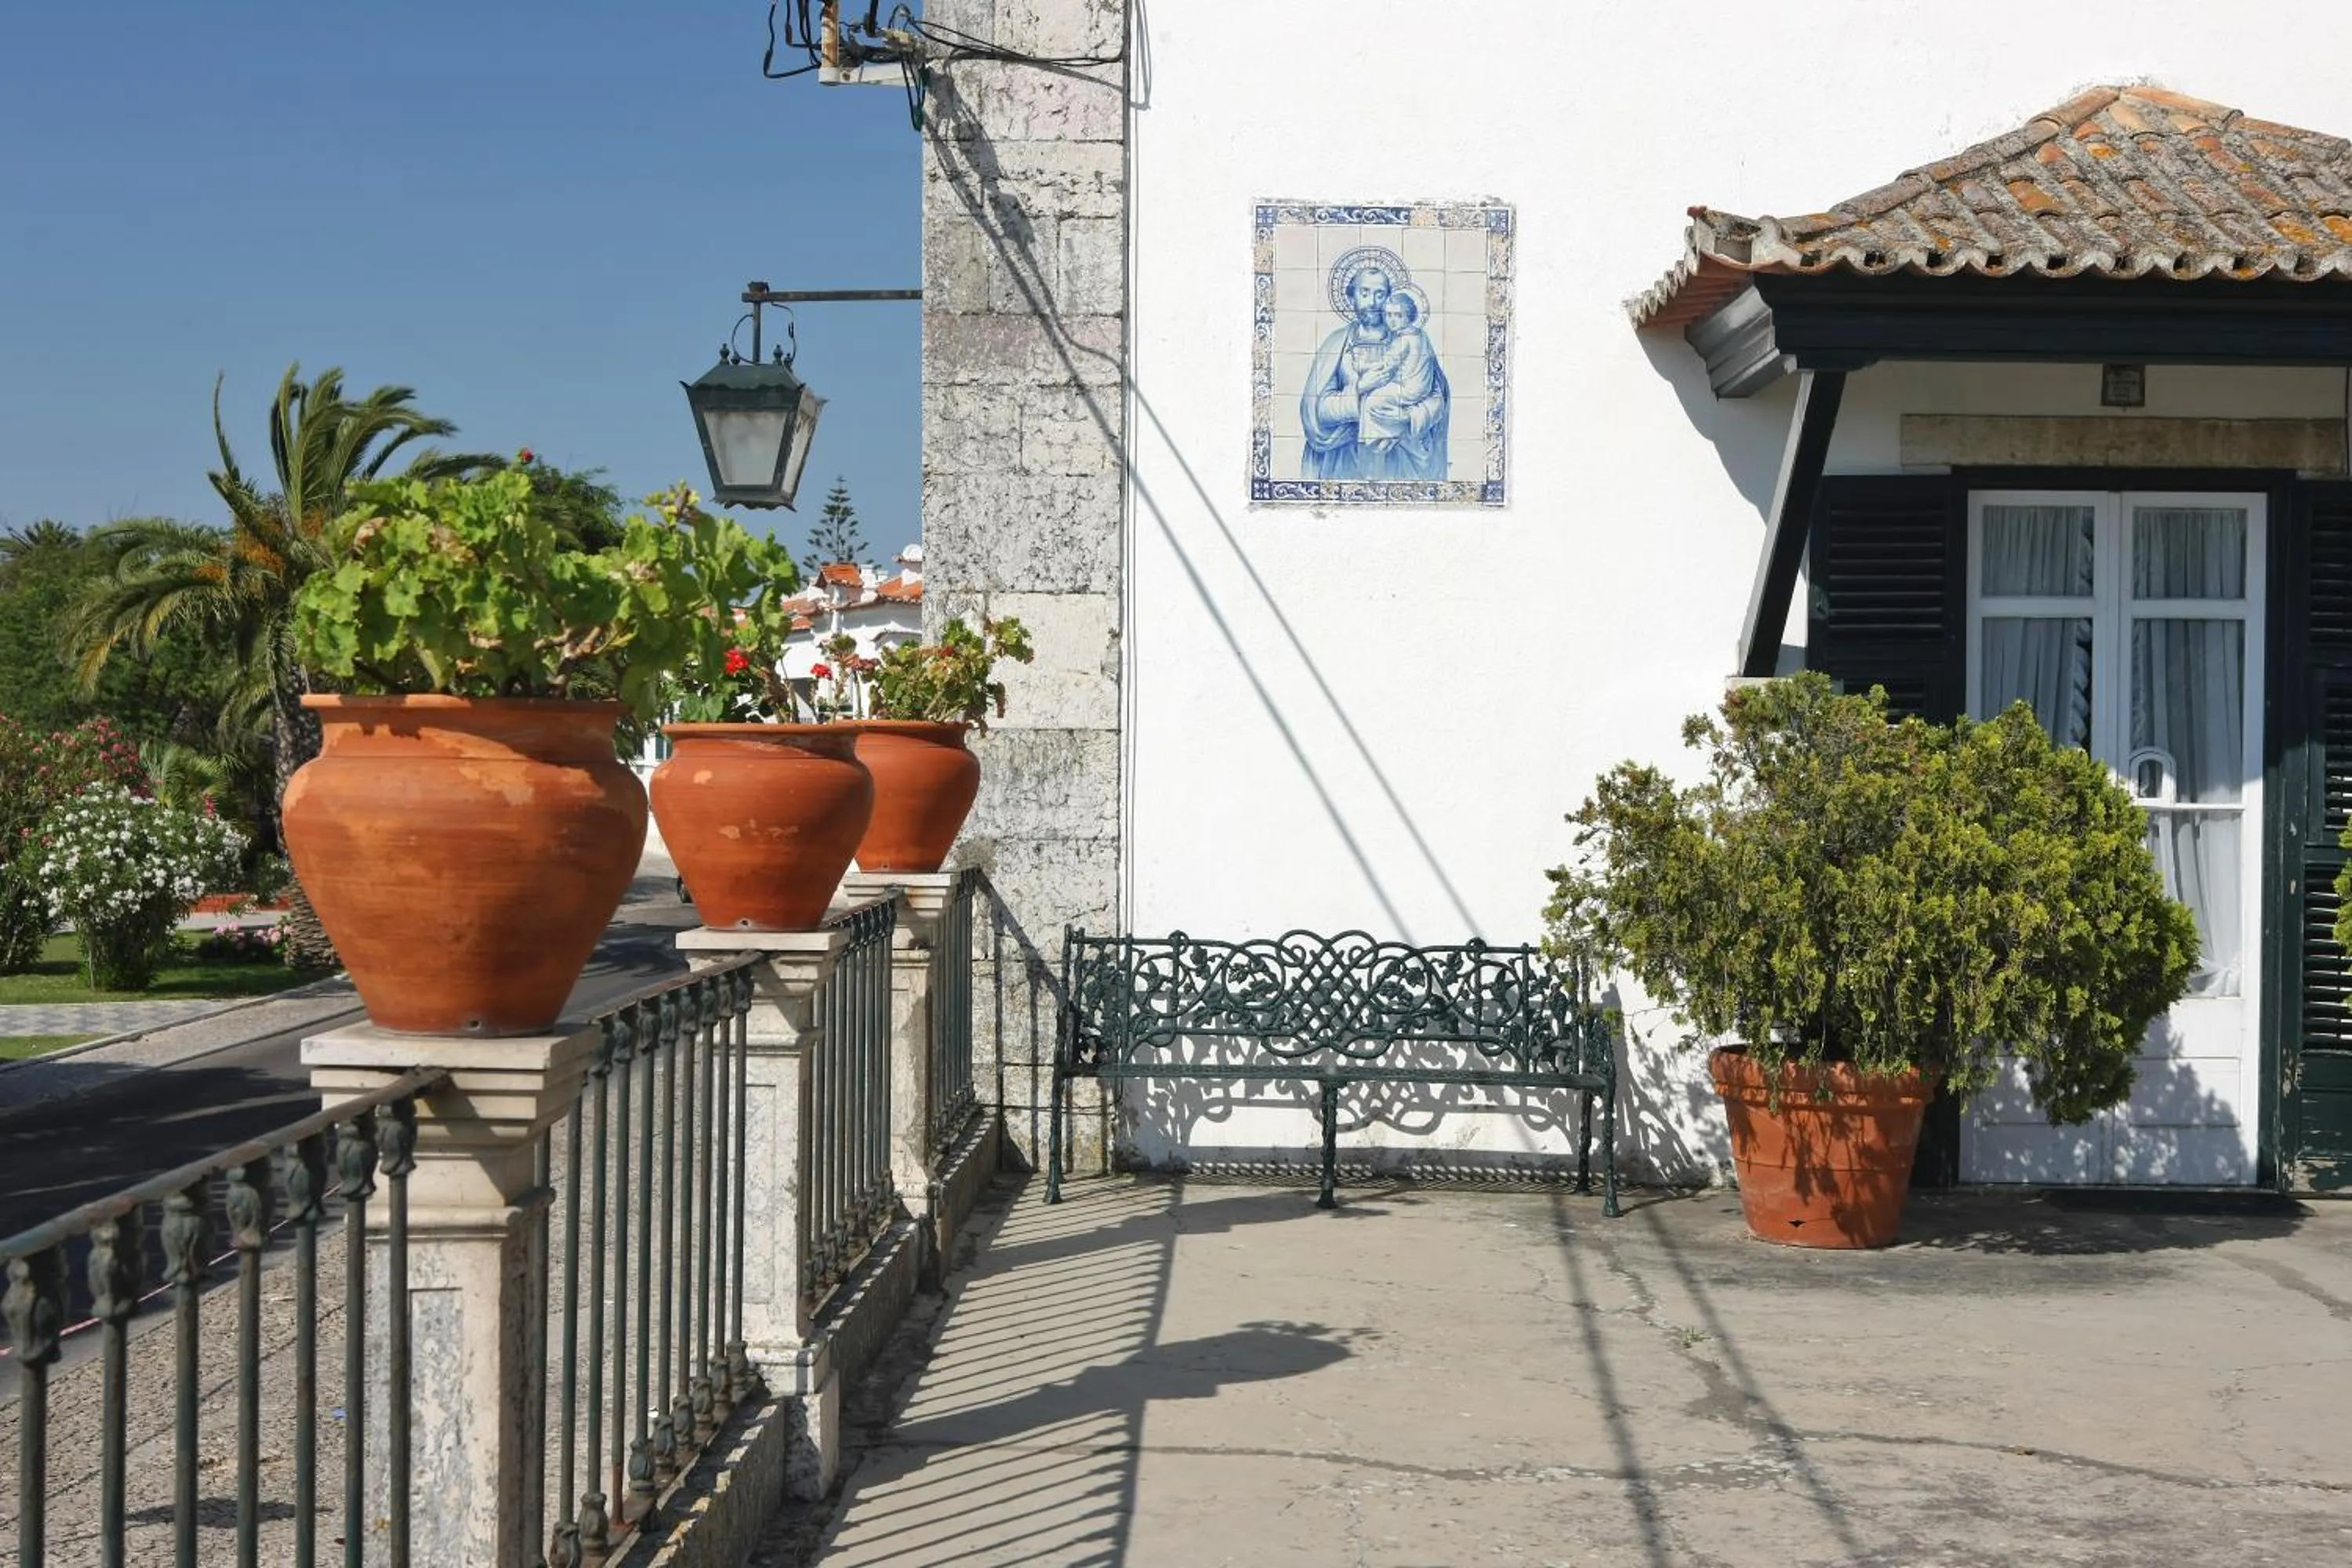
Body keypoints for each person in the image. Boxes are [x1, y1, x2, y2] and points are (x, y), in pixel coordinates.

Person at [1354, 287, 1436, 454]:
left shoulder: (1403, 341)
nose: (1392, 321)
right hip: (1422, 388)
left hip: (1408, 389)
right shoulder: (1421, 335)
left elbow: (1386, 364)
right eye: (1389, 315)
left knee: (1372, 401)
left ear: (1410, 316)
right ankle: (1388, 437)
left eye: (1398, 316)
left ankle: (1381, 438)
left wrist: (1363, 366)